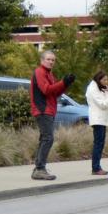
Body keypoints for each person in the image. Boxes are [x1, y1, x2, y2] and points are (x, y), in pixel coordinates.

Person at [30, 50, 74, 181]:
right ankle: (39, 169)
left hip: (48, 110)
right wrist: (62, 82)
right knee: (48, 138)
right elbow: (46, 90)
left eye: (53, 60)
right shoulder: (40, 72)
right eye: (48, 59)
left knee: (45, 138)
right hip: (43, 110)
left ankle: (38, 168)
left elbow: (54, 93)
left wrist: (65, 84)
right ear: (42, 60)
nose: (51, 62)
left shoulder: (48, 74)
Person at [85, 71, 108, 176]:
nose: (106, 82)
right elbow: (103, 105)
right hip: (97, 119)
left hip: (102, 119)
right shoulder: (93, 89)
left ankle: (97, 166)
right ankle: (95, 168)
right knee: (98, 144)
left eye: (107, 80)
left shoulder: (102, 89)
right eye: (104, 80)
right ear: (98, 79)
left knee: (101, 143)